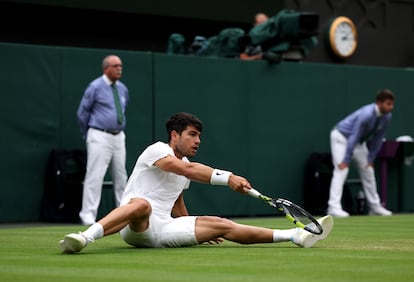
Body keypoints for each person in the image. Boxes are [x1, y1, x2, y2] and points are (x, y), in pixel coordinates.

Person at [59, 112, 333, 253]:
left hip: (164, 229)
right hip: (135, 227)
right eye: (192, 135)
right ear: (174, 135)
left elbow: (176, 200)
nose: (197, 140)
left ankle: (296, 235)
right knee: (142, 204)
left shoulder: (186, 165)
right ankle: (85, 237)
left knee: (221, 225)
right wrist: (228, 178)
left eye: (199, 136)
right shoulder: (157, 151)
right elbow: (186, 171)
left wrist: (191, 228)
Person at [76, 55, 129, 225]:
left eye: (120, 65)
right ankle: (88, 216)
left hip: (118, 136)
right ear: (106, 68)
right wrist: (89, 135)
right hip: (99, 134)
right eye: (115, 66)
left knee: (121, 176)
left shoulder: (122, 88)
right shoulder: (95, 87)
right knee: (95, 175)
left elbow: (123, 108)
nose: (119, 68)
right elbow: (82, 113)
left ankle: (123, 214)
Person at [327, 89, 395, 218]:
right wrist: (346, 160)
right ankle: (333, 207)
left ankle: (375, 207)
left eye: (392, 104)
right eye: (388, 104)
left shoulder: (387, 116)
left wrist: (370, 159)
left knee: (368, 170)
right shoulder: (367, 114)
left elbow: (378, 138)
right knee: (341, 170)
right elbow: (353, 136)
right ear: (379, 103)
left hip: (357, 142)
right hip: (341, 137)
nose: (391, 107)